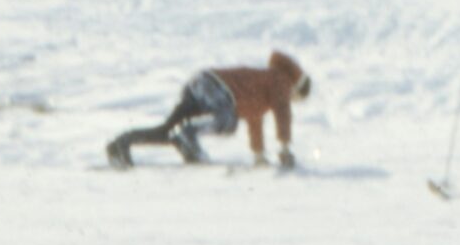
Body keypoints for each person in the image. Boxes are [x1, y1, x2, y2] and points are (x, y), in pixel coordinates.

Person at [106, 52, 310, 169]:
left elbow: (255, 122)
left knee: (169, 131)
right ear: (296, 87)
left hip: (200, 83)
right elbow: (283, 112)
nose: (291, 101)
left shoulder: (262, 92)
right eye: (296, 99)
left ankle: (120, 144)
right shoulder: (280, 80)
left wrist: (259, 156)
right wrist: (284, 148)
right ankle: (188, 135)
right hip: (216, 88)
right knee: (228, 121)